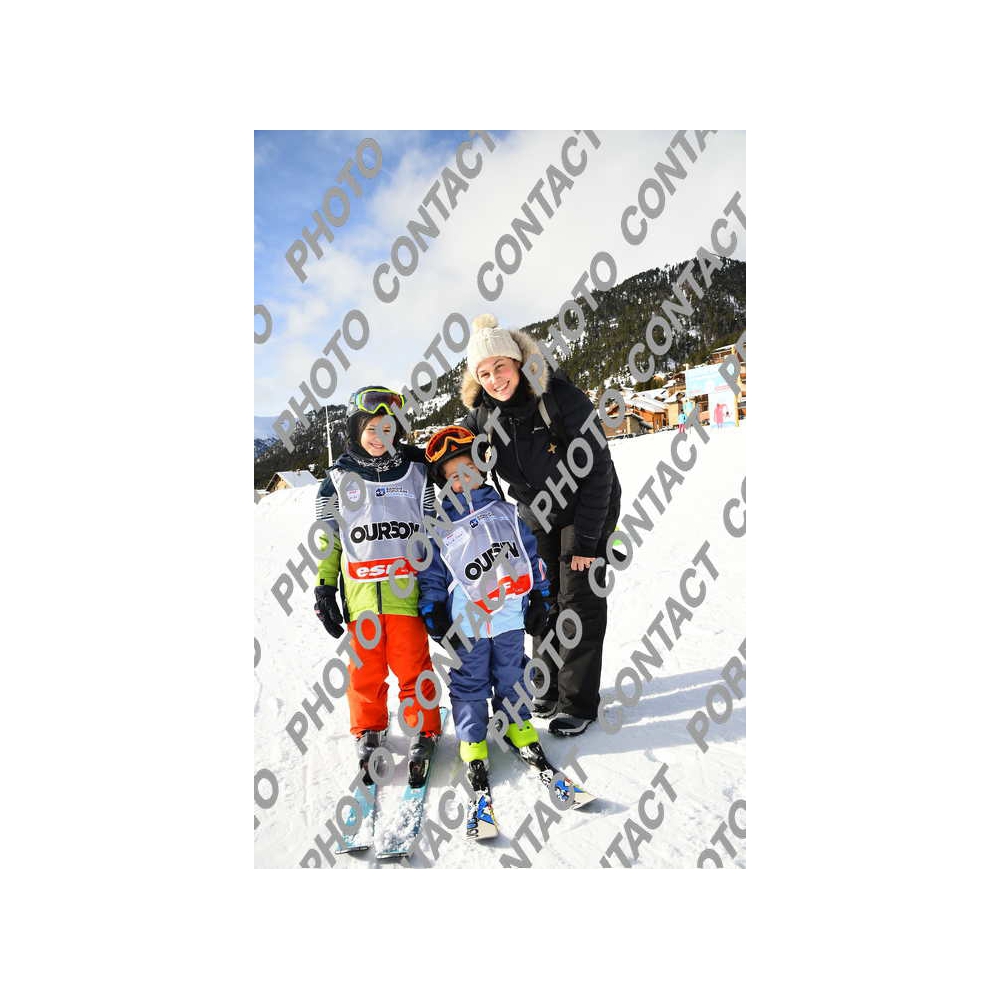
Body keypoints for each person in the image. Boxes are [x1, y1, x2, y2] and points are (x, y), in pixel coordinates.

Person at [461, 314, 621, 737]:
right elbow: (453, 451)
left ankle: (577, 702)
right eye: (484, 373)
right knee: (541, 595)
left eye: (500, 366)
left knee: (579, 600)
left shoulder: (560, 398)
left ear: (517, 362)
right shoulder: (484, 416)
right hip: (536, 511)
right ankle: (546, 686)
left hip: (588, 505)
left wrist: (587, 541)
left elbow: (599, 471)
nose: (494, 379)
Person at [416, 425, 553, 809]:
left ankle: (516, 723)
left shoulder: (507, 513)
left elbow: (530, 555)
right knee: (470, 681)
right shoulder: (440, 527)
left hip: (508, 617)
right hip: (468, 625)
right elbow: (432, 574)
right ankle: (473, 738)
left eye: (468, 470)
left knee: (513, 673)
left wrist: (541, 597)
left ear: (482, 468)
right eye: (452, 477)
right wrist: (433, 611)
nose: (462, 480)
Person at [312, 386, 442, 786]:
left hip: (407, 596)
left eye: (388, 429)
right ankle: (369, 728)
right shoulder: (337, 479)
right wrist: (324, 587)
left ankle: (424, 728)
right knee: (364, 673)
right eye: (371, 428)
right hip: (362, 598)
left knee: (413, 666)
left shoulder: (417, 472)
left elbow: (433, 531)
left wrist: (438, 589)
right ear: (356, 429)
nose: (379, 436)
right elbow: (329, 539)